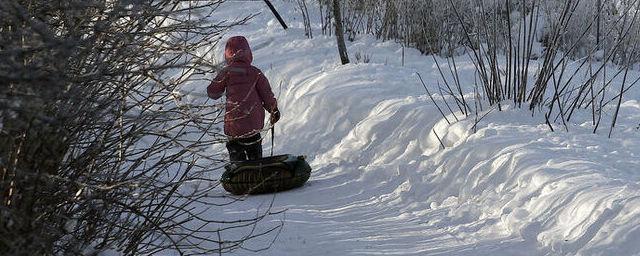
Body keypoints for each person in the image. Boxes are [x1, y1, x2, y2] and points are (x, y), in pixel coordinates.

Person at [207, 36, 280, 162]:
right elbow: (266, 94)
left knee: (237, 157)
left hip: (233, 124)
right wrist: (273, 110)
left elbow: (213, 93)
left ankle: (239, 175)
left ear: (227, 54)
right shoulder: (255, 72)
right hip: (253, 125)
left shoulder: (226, 72)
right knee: (254, 154)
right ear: (248, 53)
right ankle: (256, 172)